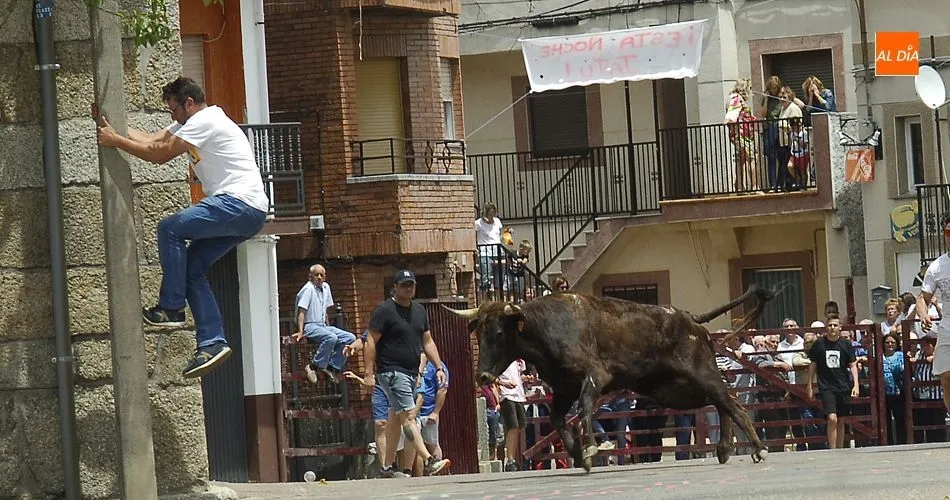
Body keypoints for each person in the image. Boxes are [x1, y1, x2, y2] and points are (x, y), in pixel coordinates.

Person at [96, 76, 268, 378]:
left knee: (170, 229)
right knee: (191, 269)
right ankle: (212, 342)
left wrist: (115, 142)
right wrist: (109, 125)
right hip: (248, 212)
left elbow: (159, 156)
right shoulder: (189, 123)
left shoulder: (206, 120)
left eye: (174, 109)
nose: (172, 116)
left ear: (190, 103)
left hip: (238, 203)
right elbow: (152, 140)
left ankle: (172, 308)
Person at [364, 270, 451, 477]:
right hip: (392, 372)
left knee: (395, 417)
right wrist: (368, 373)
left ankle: (386, 467)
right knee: (409, 417)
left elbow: (427, 342)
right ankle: (429, 460)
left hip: (412, 373)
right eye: (404, 285)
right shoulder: (384, 311)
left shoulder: (420, 311)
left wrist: (438, 367)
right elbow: (370, 340)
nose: (408, 288)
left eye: (411, 284)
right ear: (395, 287)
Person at [290, 264, 356, 383]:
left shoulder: (326, 287)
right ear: (310, 276)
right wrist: (300, 330)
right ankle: (313, 366)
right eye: (316, 275)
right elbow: (301, 311)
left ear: (325, 277)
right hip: (309, 325)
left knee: (350, 338)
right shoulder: (308, 289)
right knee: (331, 337)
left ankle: (332, 367)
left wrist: (327, 325)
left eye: (322, 275)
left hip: (321, 325)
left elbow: (324, 310)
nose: (319, 277)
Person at [807, 315, 859, 449]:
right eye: (830, 325)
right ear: (826, 327)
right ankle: (832, 449)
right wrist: (810, 385)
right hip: (826, 386)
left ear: (840, 327)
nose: (832, 328)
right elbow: (813, 364)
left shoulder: (846, 344)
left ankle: (840, 448)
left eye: (835, 325)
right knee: (832, 418)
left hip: (843, 385)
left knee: (841, 420)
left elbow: (853, 365)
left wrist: (856, 385)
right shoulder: (819, 344)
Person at [917, 215, 950, 413]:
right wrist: (923, 315)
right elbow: (922, 297)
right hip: (947, 325)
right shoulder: (937, 267)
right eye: (948, 232)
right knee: (946, 376)